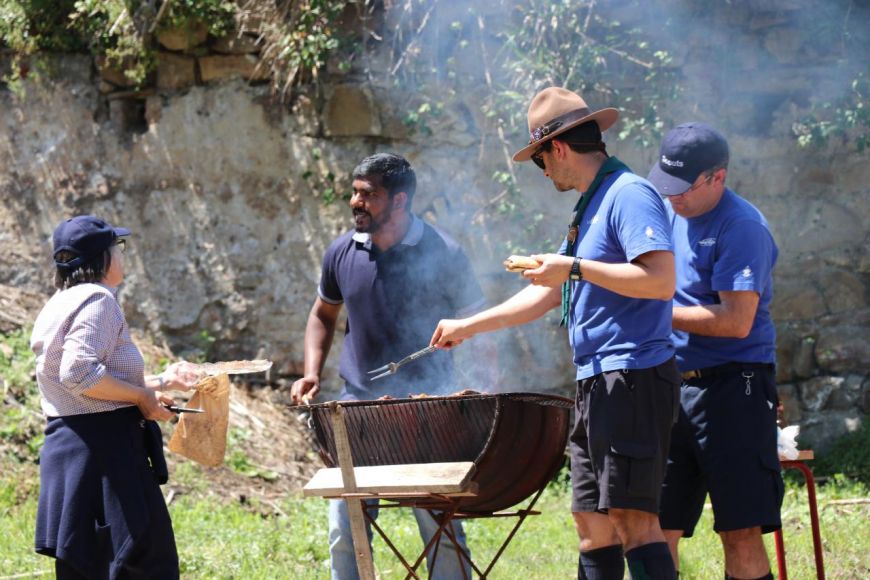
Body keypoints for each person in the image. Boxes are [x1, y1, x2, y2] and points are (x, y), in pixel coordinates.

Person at [430, 87, 680, 580]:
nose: (542, 173)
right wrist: (469, 327)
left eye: (539, 160)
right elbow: (549, 293)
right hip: (598, 382)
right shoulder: (590, 204)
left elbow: (661, 281)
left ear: (559, 148)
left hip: (632, 377)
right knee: (592, 525)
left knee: (634, 522)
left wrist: (576, 267)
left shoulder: (628, 194)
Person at [290, 153, 486, 579]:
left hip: (428, 410)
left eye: (369, 194)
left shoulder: (445, 252)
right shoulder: (341, 252)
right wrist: (310, 372)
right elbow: (322, 314)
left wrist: (477, 385)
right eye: (355, 192)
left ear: (399, 201)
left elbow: (478, 325)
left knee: (441, 529)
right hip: (357, 410)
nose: (356, 202)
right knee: (345, 527)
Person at [30, 215, 202, 579]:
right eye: (117, 248)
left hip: (74, 454)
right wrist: (142, 397)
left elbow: (92, 385)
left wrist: (159, 382)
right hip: (106, 460)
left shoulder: (58, 303)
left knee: (91, 568)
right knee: (145, 567)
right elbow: (78, 373)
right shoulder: (98, 301)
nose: (122, 256)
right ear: (101, 258)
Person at [647, 123, 782, 580]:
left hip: (734, 388)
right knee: (655, 528)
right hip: (671, 387)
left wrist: (653, 312)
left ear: (717, 177)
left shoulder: (742, 226)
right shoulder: (669, 212)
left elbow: (735, 320)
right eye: (666, 186)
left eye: (682, 188)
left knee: (740, 530)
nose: (673, 198)